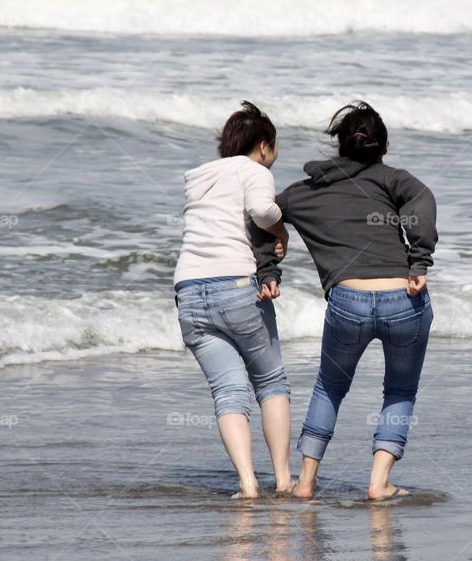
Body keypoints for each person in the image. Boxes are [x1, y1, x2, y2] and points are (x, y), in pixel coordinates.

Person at [275, 101, 438, 500]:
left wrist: (269, 263)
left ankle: (305, 483)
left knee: (329, 388)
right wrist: (419, 261)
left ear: (340, 145)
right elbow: (423, 200)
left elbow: (263, 214)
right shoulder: (391, 179)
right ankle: (379, 483)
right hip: (403, 297)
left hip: (348, 300)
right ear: (384, 146)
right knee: (400, 391)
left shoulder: (306, 192)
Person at [173, 101, 292, 499]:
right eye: (274, 148)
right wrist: (282, 232)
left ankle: (247, 484)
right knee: (270, 382)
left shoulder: (198, 177)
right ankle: (283, 480)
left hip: (189, 292)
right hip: (237, 287)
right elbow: (261, 210)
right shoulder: (254, 170)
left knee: (227, 391)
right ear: (263, 146)